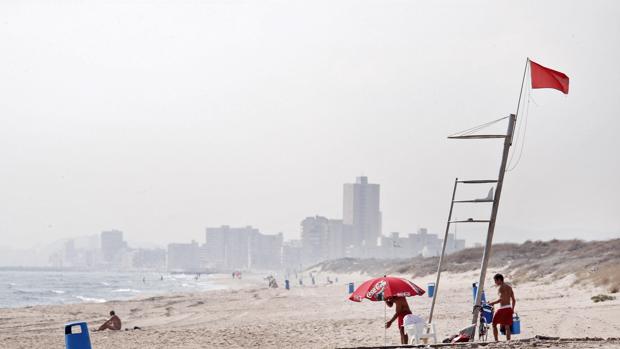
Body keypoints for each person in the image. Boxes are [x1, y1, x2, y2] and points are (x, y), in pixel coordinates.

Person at [488, 273, 516, 341]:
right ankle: (508, 341)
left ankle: (496, 341)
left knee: (494, 324)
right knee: (507, 326)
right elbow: (514, 300)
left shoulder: (501, 288)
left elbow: (501, 299)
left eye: (495, 281)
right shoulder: (509, 287)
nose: (495, 282)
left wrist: (492, 303)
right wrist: (512, 309)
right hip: (509, 308)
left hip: (503, 309)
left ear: (499, 280)